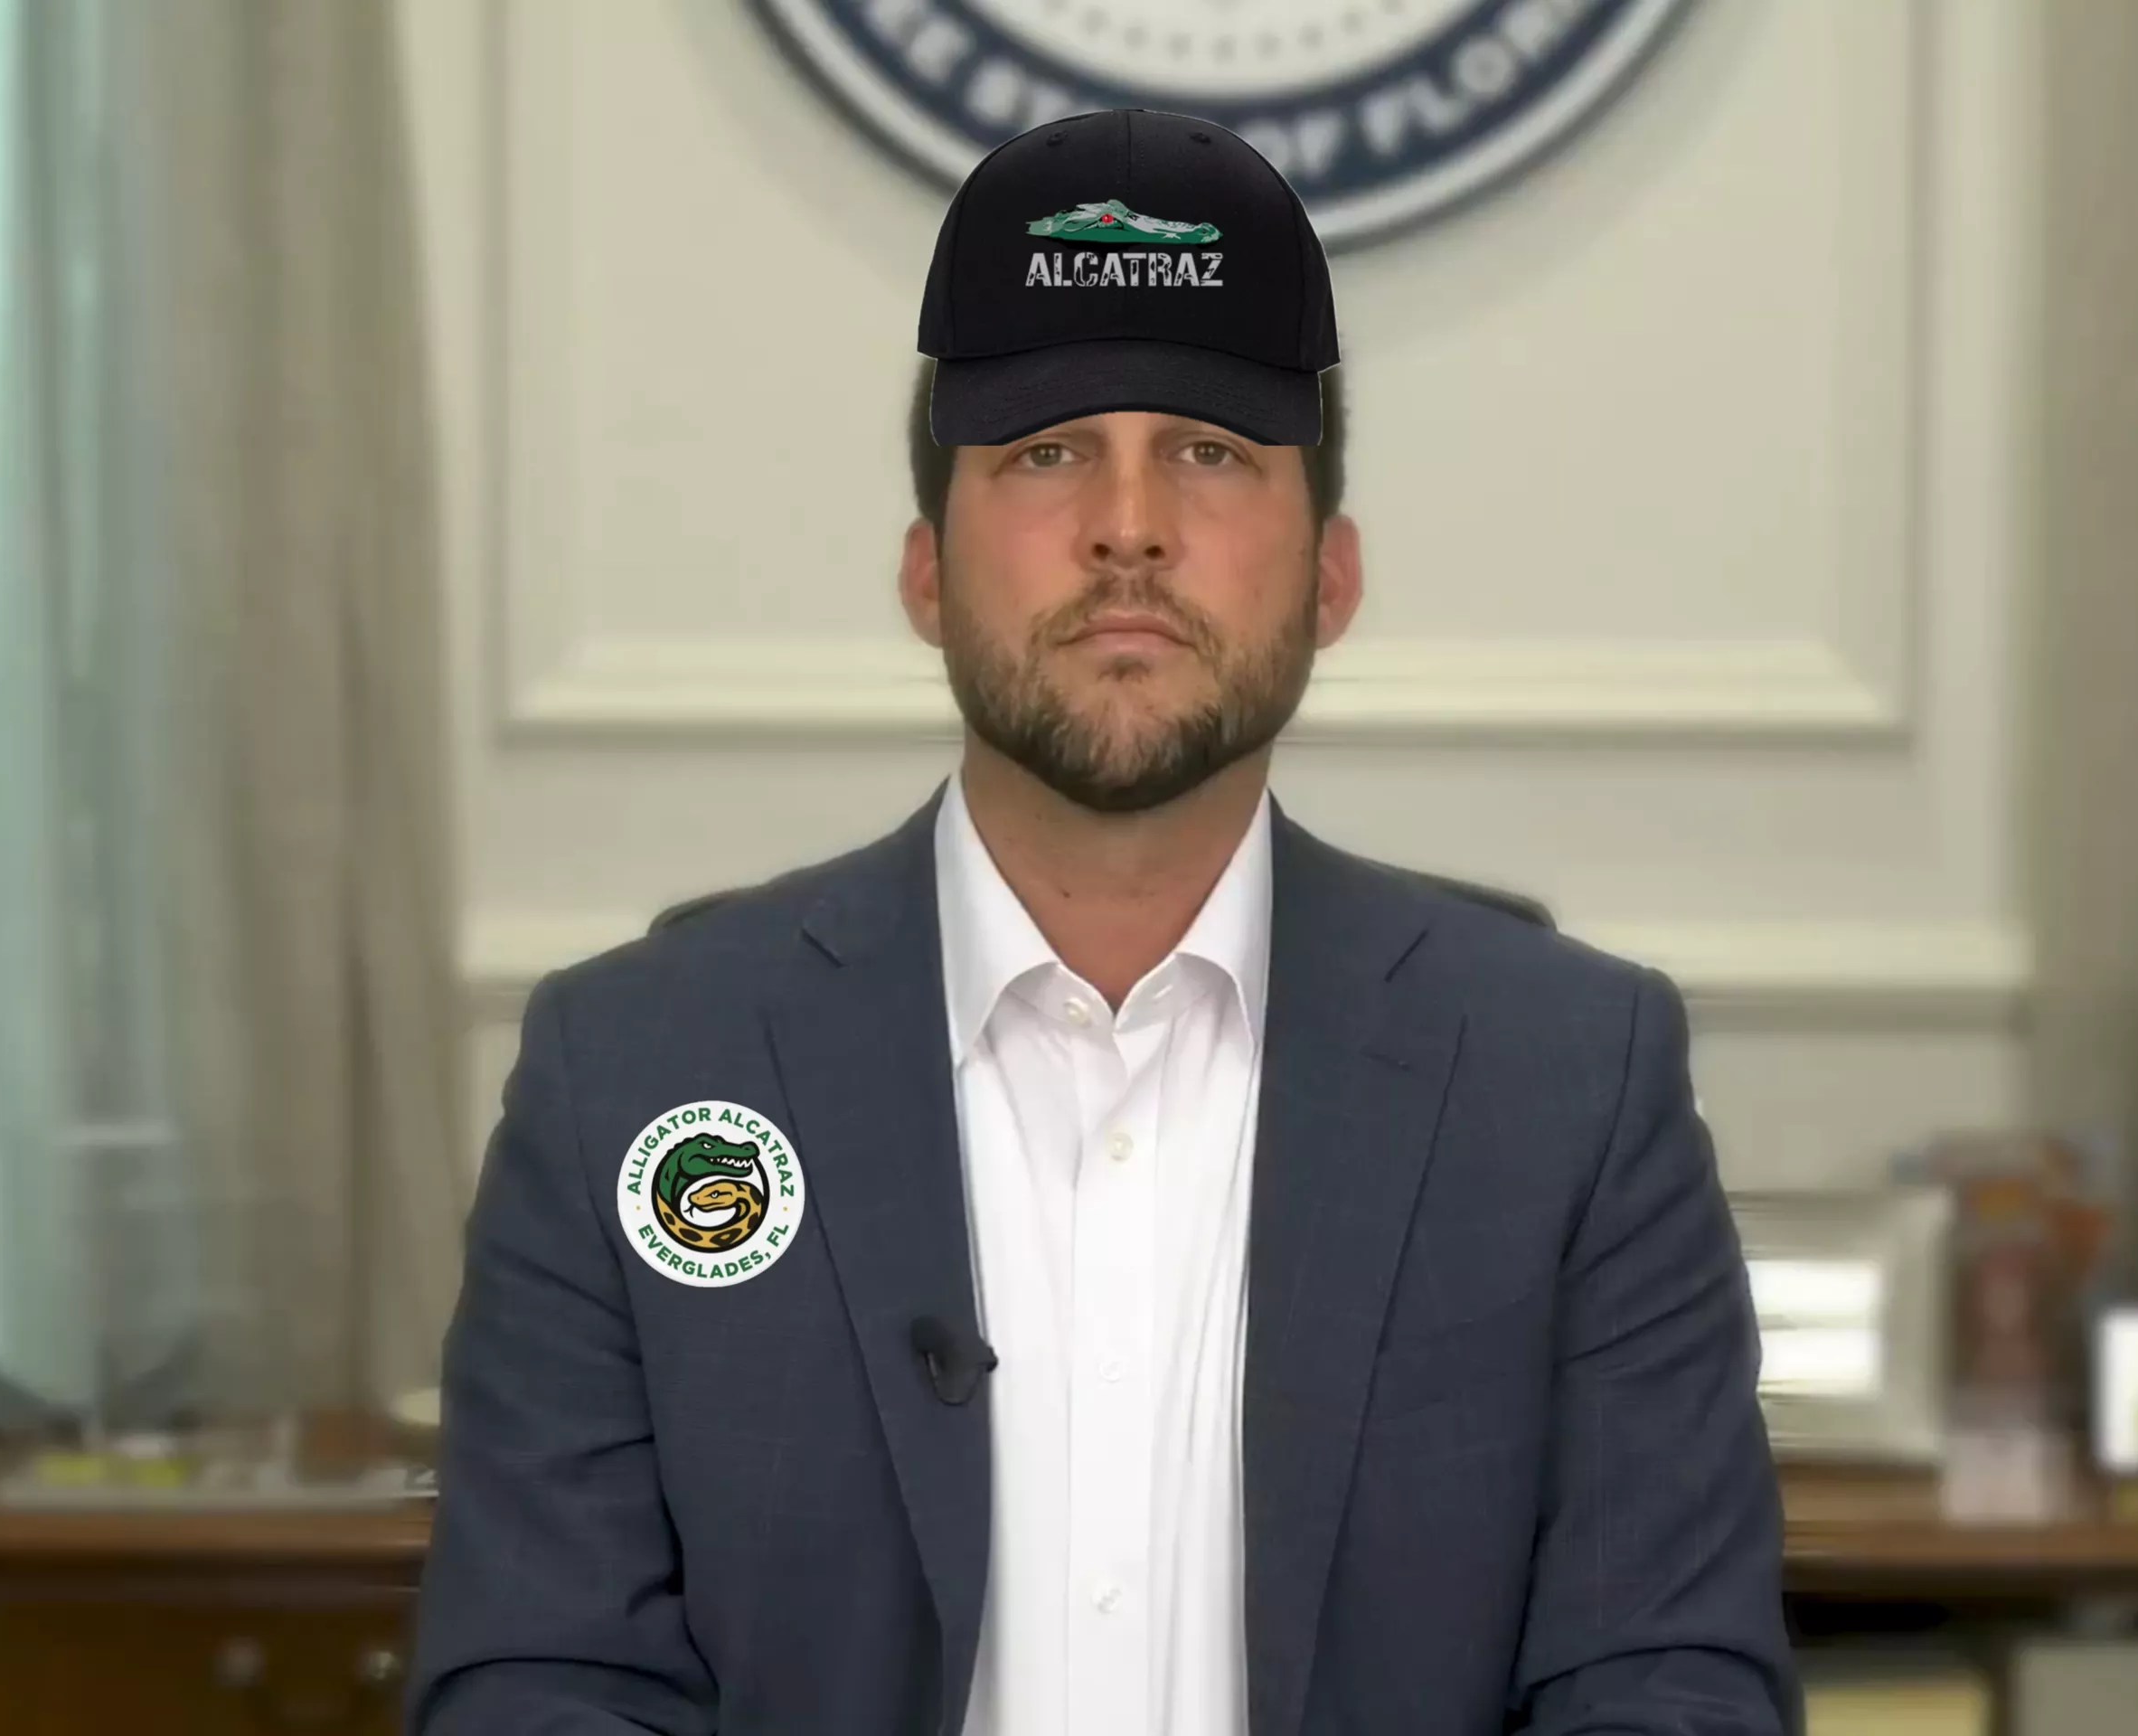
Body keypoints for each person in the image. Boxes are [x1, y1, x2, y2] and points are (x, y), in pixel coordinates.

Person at [407, 106, 1798, 1736]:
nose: (1127, 525)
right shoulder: (629, 1073)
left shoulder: (1573, 1086)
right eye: (1047, 451)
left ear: (1332, 578)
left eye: (1210, 453)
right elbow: (540, 1682)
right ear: (927, 572)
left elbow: (1666, 1684)